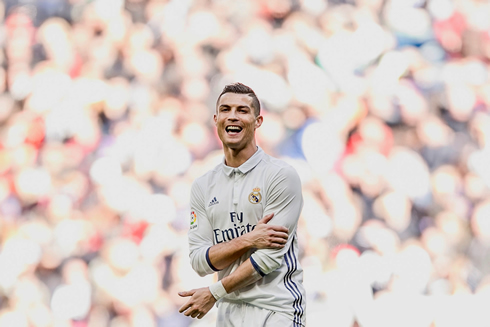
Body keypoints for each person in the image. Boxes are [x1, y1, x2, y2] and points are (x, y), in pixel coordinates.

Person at [178, 83, 306, 326]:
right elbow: (200, 262)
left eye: (242, 110)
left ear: (258, 121)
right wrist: (248, 240)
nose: (233, 116)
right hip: (229, 314)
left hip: (277, 310)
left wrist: (214, 292)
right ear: (216, 119)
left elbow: (268, 258)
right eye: (226, 109)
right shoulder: (203, 186)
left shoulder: (280, 175)